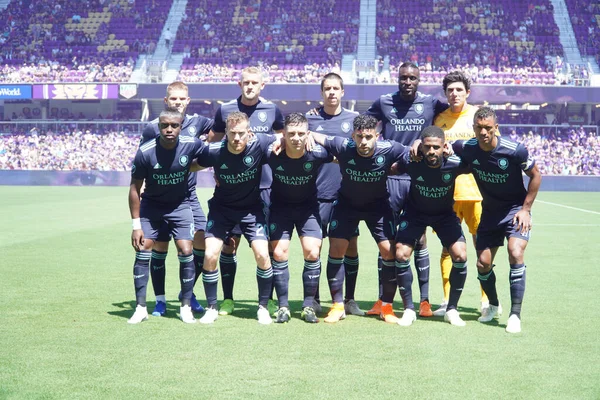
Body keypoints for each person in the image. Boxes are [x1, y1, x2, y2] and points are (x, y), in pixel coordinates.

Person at [365, 62, 448, 317]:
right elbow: (366, 122)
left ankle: (424, 301)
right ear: (397, 78)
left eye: (412, 78)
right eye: (404, 77)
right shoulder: (384, 102)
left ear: (419, 80)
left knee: (420, 238)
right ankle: (383, 299)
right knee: (387, 242)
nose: (408, 82)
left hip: (417, 178)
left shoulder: (431, 103)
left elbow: (454, 114)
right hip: (390, 177)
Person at [311, 114, 407, 324]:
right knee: (336, 249)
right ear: (353, 136)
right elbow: (318, 137)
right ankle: (337, 305)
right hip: (347, 205)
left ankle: (386, 307)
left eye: (368, 137)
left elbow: (412, 154)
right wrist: (305, 135)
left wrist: (415, 148)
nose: (364, 142)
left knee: (389, 252)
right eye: (360, 137)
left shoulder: (389, 148)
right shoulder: (343, 146)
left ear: (377, 136)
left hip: (378, 207)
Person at [453, 107, 541, 333]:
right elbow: (454, 148)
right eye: (479, 128)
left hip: (515, 211)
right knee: (482, 264)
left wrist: (525, 209)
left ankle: (515, 315)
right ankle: (493, 305)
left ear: (496, 128)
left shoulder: (514, 150)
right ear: (473, 128)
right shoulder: (468, 148)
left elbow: (536, 175)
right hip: (490, 212)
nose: (483, 132)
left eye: (488, 128)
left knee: (515, 252)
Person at [208, 66, 284, 317]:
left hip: (265, 188)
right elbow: (214, 142)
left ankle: (268, 299)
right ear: (239, 85)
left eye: (255, 83)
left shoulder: (272, 109)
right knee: (229, 245)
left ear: (263, 85)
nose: (250, 86)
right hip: (232, 187)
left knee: (267, 247)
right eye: (246, 82)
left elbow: (282, 142)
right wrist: (216, 170)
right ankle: (228, 299)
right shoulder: (225, 109)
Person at [139, 81, 214, 318]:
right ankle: (160, 300)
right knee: (160, 247)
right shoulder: (153, 127)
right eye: (173, 99)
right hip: (160, 196)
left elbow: (220, 130)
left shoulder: (199, 122)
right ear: (166, 101)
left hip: (188, 196)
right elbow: (143, 160)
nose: (178, 102)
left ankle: (188, 293)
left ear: (188, 101)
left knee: (200, 241)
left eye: (182, 99)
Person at [196, 111, 278, 325]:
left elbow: (284, 137)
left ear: (249, 133)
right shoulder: (214, 151)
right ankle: (212, 307)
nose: (237, 138)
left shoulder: (259, 144)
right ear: (227, 133)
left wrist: (306, 137)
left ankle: (262, 307)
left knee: (262, 254)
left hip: (252, 210)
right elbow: (189, 163)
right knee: (211, 254)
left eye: (241, 133)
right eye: (232, 133)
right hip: (222, 210)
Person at [127, 108, 205, 324]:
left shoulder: (192, 144)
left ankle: (185, 306)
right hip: (152, 207)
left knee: (186, 249)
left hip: (180, 206)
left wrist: (195, 167)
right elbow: (134, 188)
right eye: (164, 125)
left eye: (174, 125)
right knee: (143, 249)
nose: (169, 129)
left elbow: (212, 155)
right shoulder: (146, 151)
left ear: (181, 126)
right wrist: (136, 225)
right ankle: (141, 308)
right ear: (158, 126)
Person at [394, 126, 470, 327]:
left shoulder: (454, 162)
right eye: (427, 147)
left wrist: (456, 147)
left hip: (444, 216)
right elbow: (393, 167)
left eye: (436, 147)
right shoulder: (413, 161)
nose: (431, 152)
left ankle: (452, 309)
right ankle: (409, 309)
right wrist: (414, 146)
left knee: (461, 255)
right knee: (401, 254)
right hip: (415, 213)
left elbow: (473, 153)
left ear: (444, 146)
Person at [432, 71, 490, 316]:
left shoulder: (478, 117)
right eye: (449, 90)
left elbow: (489, 149)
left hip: (476, 193)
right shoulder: (439, 119)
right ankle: (447, 300)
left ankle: (486, 300)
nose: (454, 94)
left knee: (482, 248)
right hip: (449, 193)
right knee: (448, 248)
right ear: (445, 94)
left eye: (458, 90)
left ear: (468, 92)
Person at [266, 113, 333, 323]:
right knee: (279, 253)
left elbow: (346, 154)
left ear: (308, 134)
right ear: (283, 134)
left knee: (313, 252)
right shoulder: (272, 152)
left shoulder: (318, 153)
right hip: (280, 208)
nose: (296, 138)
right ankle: (283, 306)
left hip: (308, 209)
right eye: (291, 133)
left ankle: (308, 306)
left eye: (301, 133)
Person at [306, 72, 363, 316]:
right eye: (327, 88)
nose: (331, 92)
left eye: (335, 88)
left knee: (350, 246)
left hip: (346, 197)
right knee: (315, 248)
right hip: (316, 195)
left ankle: (349, 300)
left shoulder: (353, 120)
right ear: (322, 92)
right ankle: (315, 298)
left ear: (342, 92)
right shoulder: (309, 120)